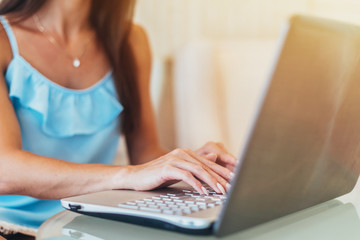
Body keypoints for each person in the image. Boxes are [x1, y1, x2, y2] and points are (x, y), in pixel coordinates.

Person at [0, 0, 236, 239]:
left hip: (89, 226)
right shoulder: (3, 38)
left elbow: (145, 153)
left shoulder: (130, 40)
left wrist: (195, 166)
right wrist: (127, 175)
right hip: (10, 227)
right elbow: (4, 170)